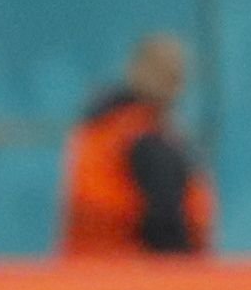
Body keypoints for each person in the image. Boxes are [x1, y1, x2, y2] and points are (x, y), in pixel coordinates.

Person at [60, 33, 213, 256]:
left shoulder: (101, 125)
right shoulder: (147, 140)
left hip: (88, 268)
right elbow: (166, 225)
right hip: (133, 270)